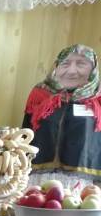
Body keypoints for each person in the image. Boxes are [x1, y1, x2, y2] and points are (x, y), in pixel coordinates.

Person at [23, 44, 101, 189]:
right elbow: (26, 132)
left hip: (81, 180)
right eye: (65, 63)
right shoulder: (40, 93)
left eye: (81, 64)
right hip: (38, 176)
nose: (72, 70)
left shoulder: (98, 99)